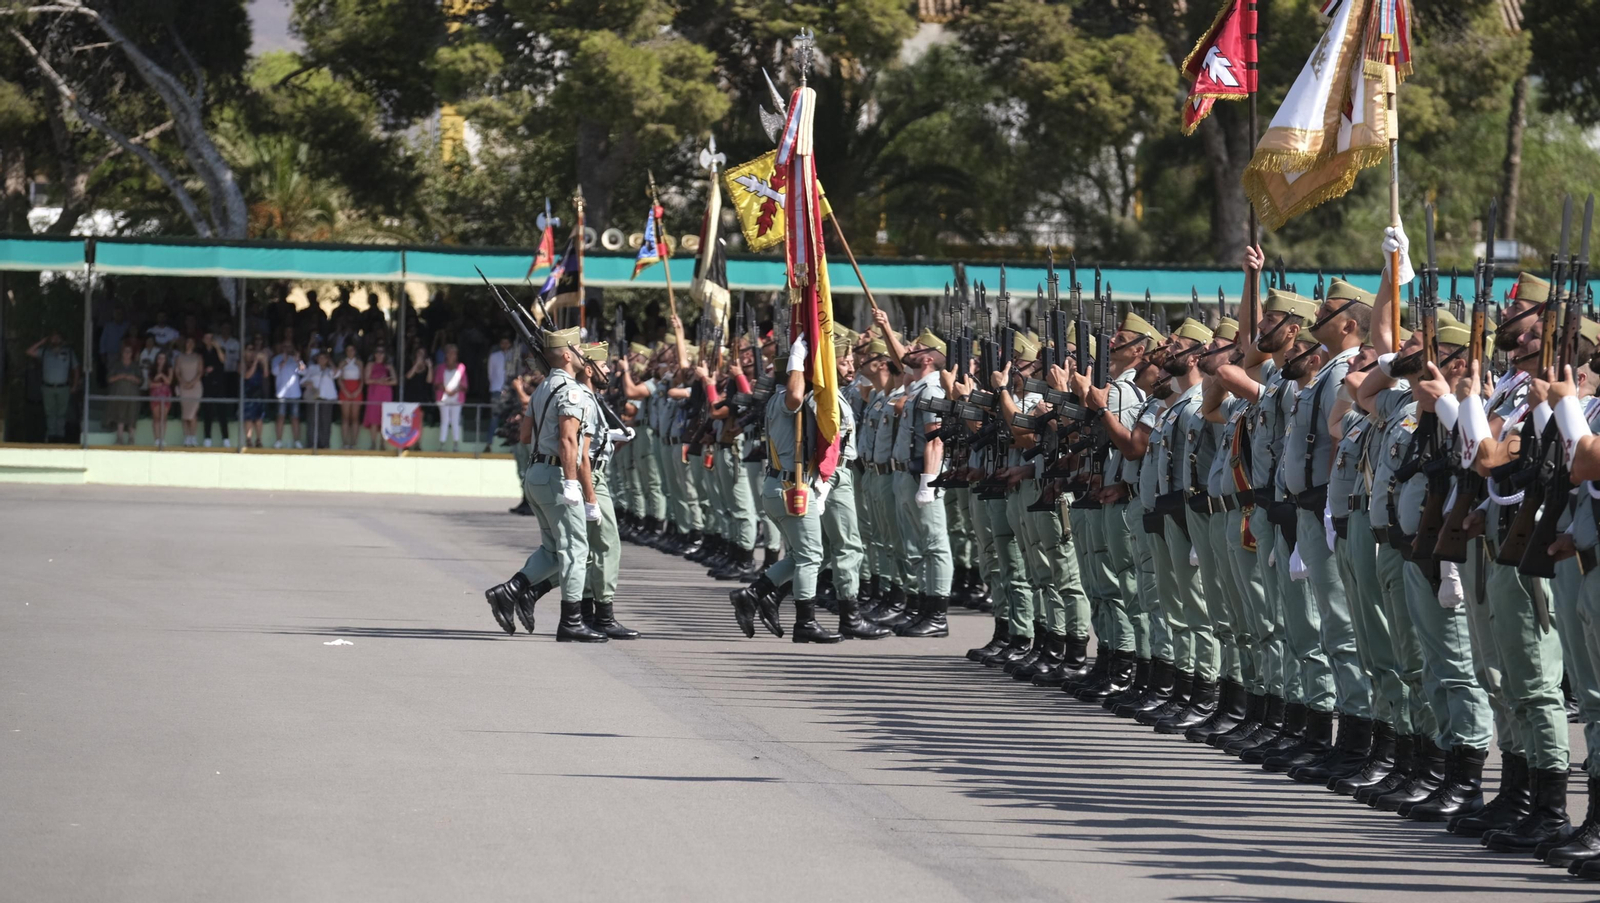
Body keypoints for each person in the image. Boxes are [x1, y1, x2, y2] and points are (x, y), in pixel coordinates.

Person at [483, 327, 607, 642]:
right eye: (579, 349)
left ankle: (509, 591)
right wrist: (572, 484)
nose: (584, 354)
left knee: (553, 549)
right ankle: (571, 621)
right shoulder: (573, 392)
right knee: (577, 549)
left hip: (538, 472)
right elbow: (569, 441)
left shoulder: (543, 388)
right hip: (557, 475)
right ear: (567, 354)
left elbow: (526, 435)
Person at [27, 332, 79, 442]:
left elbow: (76, 369)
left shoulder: (69, 352)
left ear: (61, 339)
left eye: (57, 338)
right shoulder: (45, 351)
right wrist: (41, 342)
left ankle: (60, 436)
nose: (55, 340)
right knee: (49, 413)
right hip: (48, 387)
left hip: (63, 388)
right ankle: (50, 436)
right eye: (53, 338)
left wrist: (75, 385)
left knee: (62, 413)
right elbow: (29, 351)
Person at [105, 343, 142, 445]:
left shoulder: (135, 366)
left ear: (131, 353)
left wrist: (133, 378)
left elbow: (141, 381)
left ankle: (131, 438)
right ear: (122, 353)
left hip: (133, 395)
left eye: (129, 352)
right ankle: (119, 438)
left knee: (132, 416)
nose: (127, 354)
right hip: (119, 394)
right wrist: (120, 376)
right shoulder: (116, 365)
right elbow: (109, 379)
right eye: (125, 351)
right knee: (120, 416)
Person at [199, 331, 231, 448]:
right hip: (206, 383)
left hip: (219, 384)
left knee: (222, 411)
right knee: (208, 411)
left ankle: (226, 438)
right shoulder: (201, 351)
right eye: (206, 338)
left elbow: (223, 360)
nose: (209, 340)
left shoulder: (220, 348)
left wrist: (217, 347)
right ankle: (207, 438)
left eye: (211, 338)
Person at [301, 351, 337, 449]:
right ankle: (311, 444)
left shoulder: (329, 370)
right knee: (312, 421)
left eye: (324, 358)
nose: (322, 360)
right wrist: (309, 383)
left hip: (326, 398)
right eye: (320, 358)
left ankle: (324, 444)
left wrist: (331, 363)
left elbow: (337, 373)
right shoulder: (312, 368)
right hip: (313, 398)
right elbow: (303, 380)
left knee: (325, 422)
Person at [272, 341, 304, 449]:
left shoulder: (296, 359)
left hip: (295, 393)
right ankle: (278, 441)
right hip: (281, 393)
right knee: (280, 417)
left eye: (289, 346)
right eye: (285, 346)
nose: (287, 348)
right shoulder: (276, 359)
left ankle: (297, 441)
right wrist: (283, 362)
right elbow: (274, 372)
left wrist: (298, 361)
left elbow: (304, 372)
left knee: (295, 418)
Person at [435, 344, 467, 451]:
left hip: (456, 398)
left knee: (455, 421)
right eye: (449, 353)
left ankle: (456, 444)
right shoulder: (440, 368)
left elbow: (465, 385)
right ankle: (442, 444)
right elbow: (436, 383)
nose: (451, 355)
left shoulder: (461, 367)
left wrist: (455, 391)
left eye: (454, 353)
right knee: (444, 421)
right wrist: (446, 389)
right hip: (443, 398)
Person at [174, 336, 205, 447]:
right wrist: (183, 382)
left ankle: (193, 437)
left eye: (192, 342)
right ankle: (186, 437)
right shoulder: (179, 357)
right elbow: (177, 372)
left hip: (195, 387)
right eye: (188, 342)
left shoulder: (198, 357)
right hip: (183, 387)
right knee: (185, 412)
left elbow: (200, 372)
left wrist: (192, 383)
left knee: (193, 413)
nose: (189, 344)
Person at [364, 346, 397, 450]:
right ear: (374, 354)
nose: (379, 354)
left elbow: (395, 381)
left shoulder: (388, 366)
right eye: (377, 352)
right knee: (374, 418)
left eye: (382, 352)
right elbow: (366, 380)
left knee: (385, 419)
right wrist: (379, 381)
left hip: (386, 394)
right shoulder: (370, 365)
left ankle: (383, 444)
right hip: (374, 394)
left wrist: (390, 369)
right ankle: (373, 443)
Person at [337, 344, 364, 449]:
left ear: (355, 351)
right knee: (345, 418)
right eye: (348, 350)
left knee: (355, 418)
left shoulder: (359, 363)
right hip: (345, 389)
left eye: (352, 350)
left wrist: (358, 391)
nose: (350, 352)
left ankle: (354, 443)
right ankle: (345, 443)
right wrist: (345, 391)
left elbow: (362, 379)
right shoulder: (342, 363)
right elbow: (339, 379)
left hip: (356, 389)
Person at [241, 339, 268, 448]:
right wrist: (255, 362)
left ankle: (259, 440)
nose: (251, 353)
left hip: (258, 393)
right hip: (247, 393)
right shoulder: (242, 364)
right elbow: (247, 375)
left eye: (253, 350)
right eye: (249, 350)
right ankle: (248, 439)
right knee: (248, 417)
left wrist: (264, 362)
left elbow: (266, 374)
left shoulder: (259, 364)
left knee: (258, 418)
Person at [487, 335, 511, 452]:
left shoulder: (513, 356)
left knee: (510, 419)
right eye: (503, 342)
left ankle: (511, 445)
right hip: (496, 390)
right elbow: (490, 374)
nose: (505, 345)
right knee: (494, 417)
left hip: (510, 391)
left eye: (507, 342)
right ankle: (489, 444)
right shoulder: (494, 356)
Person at [148, 350, 173, 449]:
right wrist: (159, 383)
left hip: (166, 394)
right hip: (155, 394)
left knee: (163, 417)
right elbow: (150, 384)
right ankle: (157, 439)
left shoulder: (169, 369)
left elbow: (169, 382)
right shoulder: (152, 369)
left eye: (163, 358)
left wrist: (161, 375)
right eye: (159, 358)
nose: (161, 360)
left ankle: (162, 438)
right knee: (156, 417)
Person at [405, 346, 434, 423]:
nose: (420, 355)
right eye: (419, 353)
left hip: (422, 396)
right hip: (411, 395)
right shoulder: (410, 364)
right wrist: (416, 364)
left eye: (422, 353)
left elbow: (429, 381)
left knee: (420, 419)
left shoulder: (427, 367)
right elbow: (408, 376)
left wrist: (430, 367)